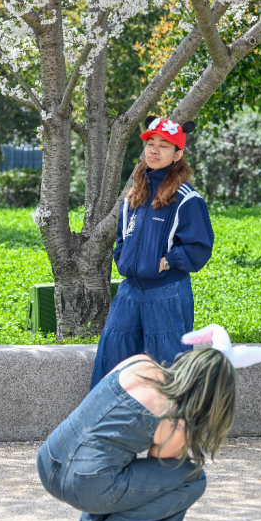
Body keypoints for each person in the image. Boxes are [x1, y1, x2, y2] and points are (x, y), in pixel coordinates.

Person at [40, 324, 261, 521]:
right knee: (190, 478)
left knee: (111, 455)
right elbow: (160, 467)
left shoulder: (138, 363)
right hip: (86, 487)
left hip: (49, 459)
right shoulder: (176, 420)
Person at [90, 116, 215, 388]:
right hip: (129, 292)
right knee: (113, 362)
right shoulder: (134, 195)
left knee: (169, 369)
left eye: (164, 145)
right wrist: (124, 259)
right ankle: (112, 416)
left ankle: (172, 417)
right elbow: (122, 237)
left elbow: (199, 246)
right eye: (151, 143)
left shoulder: (187, 198)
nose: (154, 150)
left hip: (166, 293)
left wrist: (166, 262)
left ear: (177, 154)